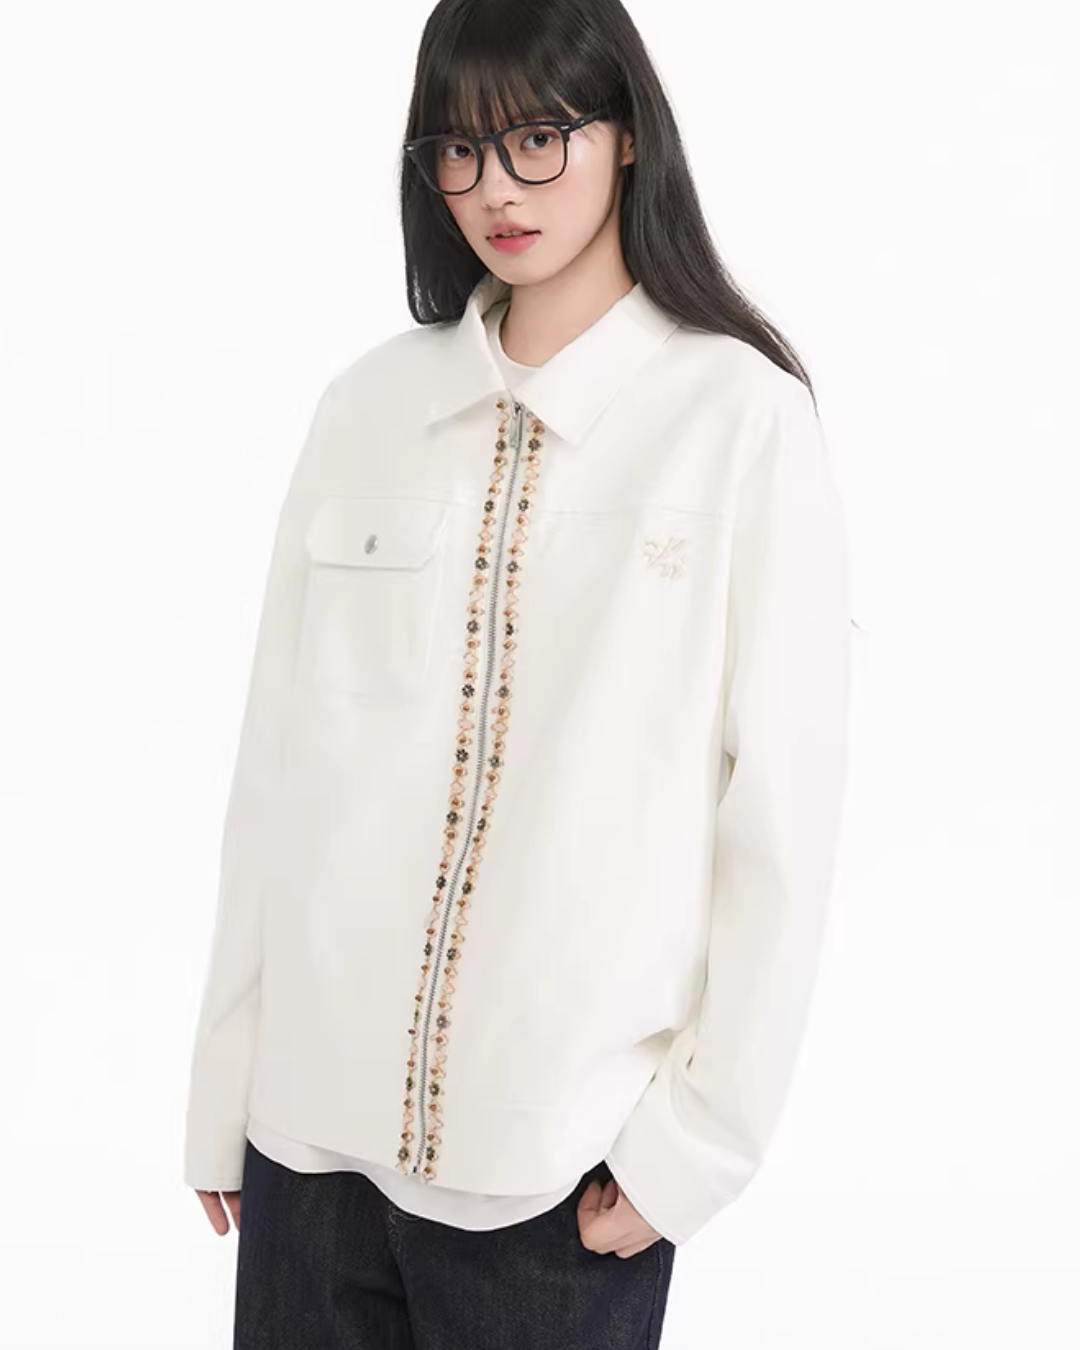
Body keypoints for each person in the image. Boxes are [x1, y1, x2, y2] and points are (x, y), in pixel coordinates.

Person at [182, 0, 852, 1345]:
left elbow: (781, 819)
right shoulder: (367, 409)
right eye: (459, 149)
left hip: (558, 1172)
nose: (497, 188)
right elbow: (277, 776)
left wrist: (694, 1151)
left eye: (539, 137)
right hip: (308, 1149)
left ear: (628, 136)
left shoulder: (738, 421)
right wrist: (225, 1089)